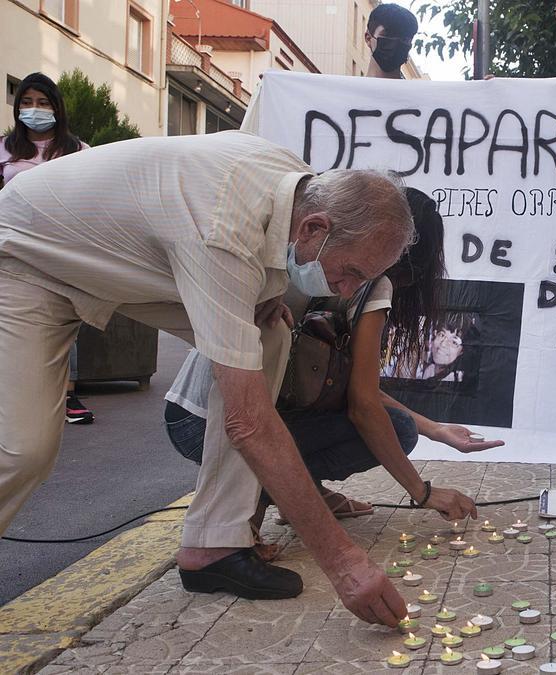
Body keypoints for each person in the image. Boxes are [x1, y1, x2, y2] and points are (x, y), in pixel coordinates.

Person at [0, 130, 416, 627]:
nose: (344, 289)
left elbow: (251, 267)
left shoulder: (294, 187)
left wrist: (266, 293)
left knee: (269, 330)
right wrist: (345, 564)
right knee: (22, 449)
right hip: (31, 256)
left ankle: (213, 543)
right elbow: (249, 422)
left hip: (114, 261)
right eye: (347, 272)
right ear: (313, 228)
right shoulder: (225, 227)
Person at [163, 188, 498, 555]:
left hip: (186, 416)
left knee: (368, 417)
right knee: (396, 431)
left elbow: (349, 389)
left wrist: (435, 429)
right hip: (219, 429)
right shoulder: (372, 281)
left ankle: (307, 492)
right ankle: (260, 506)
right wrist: (423, 492)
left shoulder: (308, 259)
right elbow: (364, 407)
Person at [0, 72, 93, 424]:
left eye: (42, 103)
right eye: (26, 102)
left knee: (62, 318)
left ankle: (67, 395)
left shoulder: (77, 151)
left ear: (56, 107)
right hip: (12, 251)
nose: (33, 109)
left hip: (59, 250)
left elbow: (91, 198)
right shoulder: (4, 148)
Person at [365, 4, 419, 79]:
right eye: (388, 34)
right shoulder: (346, 89)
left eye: (404, 38)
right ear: (368, 38)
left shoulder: (421, 90)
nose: (396, 43)